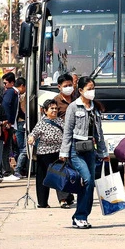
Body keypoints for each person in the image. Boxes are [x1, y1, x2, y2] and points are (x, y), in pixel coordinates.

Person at [59, 76, 110, 229]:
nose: (92, 92)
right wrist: (64, 152)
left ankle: (82, 217)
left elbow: (99, 132)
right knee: (86, 179)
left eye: (93, 88)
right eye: (89, 89)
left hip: (90, 149)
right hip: (76, 148)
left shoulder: (95, 107)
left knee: (89, 184)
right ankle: (79, 216)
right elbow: (67, 131)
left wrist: (103, 152)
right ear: (80, 90)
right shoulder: (73, 107)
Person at [28, 99, 66, 208]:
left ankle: (63, 200)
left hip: (59, 152)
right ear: (45, 111)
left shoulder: (60, 121)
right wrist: (31, 138)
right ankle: (42, 202)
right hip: (44, 153)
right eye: (51, 108)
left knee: (61, 175)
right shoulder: (42, 123)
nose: (54, 110)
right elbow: (33, 134)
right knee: (43, 177)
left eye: (55, 108)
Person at [53, 73, 76, 208]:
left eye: (70, 85)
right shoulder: (55, 101)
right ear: (59, 87)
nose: (68, 88)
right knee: (61, 168)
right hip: (61, 140)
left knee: (73, 169)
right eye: (65, 86)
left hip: (76, 139)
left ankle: (70, 194)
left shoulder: (77, 99)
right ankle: (62, 199)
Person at [0, 73, 20, 180]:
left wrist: (6, 120)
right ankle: (5, 171)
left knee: (6, 148)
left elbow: (6, 105)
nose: (4, 85)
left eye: (5, 83)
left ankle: (5, 170)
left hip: (8, 123)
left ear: (12, 82)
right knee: (6, 148)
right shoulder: (13, 92)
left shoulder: (10, 92)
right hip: (10, 123)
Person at [12, 77, 29, 179]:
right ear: (22, 86)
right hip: (22, 124)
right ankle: (18, 169)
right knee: (24, 149)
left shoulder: (19, 96)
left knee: (20, 148)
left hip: (18, 124)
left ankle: (21, 169)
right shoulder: (21, 96)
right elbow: (20, 112)